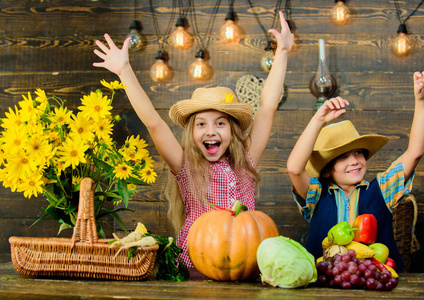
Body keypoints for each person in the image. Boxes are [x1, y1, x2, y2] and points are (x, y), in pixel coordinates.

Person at [93, 12, 294, 267]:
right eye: (201, 124)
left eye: (220, 123)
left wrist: (283, 53)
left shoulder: (246, 160)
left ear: (232, 131)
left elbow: (266, 108)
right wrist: (124, 71)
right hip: (193, 267)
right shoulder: (185, 166)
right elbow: (154, 123)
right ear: (191, 133)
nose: (210, 131)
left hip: (244, 265)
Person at [287, 71, 424, 272]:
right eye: (342, 157)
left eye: (358, 153)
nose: (355, 161)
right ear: (326, 172)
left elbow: (415, 152)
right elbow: (294, 168)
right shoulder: (316, 195)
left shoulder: (381, 190)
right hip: (321, 286)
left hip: (376, 283)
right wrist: (318, 120)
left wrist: (423, 102)